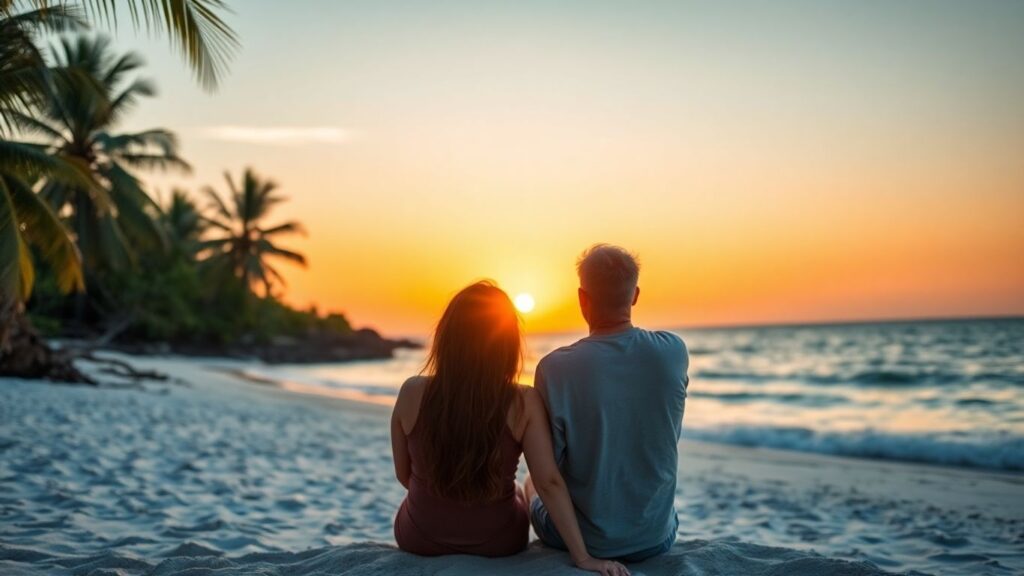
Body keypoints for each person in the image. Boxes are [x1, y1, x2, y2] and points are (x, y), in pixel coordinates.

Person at [391, 281, 630, 576]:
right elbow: (548, 483)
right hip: (498, 541)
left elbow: (404, 475)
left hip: (420, 537)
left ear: (447, 338)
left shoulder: (411, 392)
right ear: (506, 343)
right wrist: (583, 558)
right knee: (523, 486)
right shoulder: (522, 401)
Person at [527, 244, 689, 562]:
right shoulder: (673, 351)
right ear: (635, 295)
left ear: (581, 298)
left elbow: (552, 471)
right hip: (657, 537)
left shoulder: (555, 368)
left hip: (587, 544)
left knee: (530, 482)